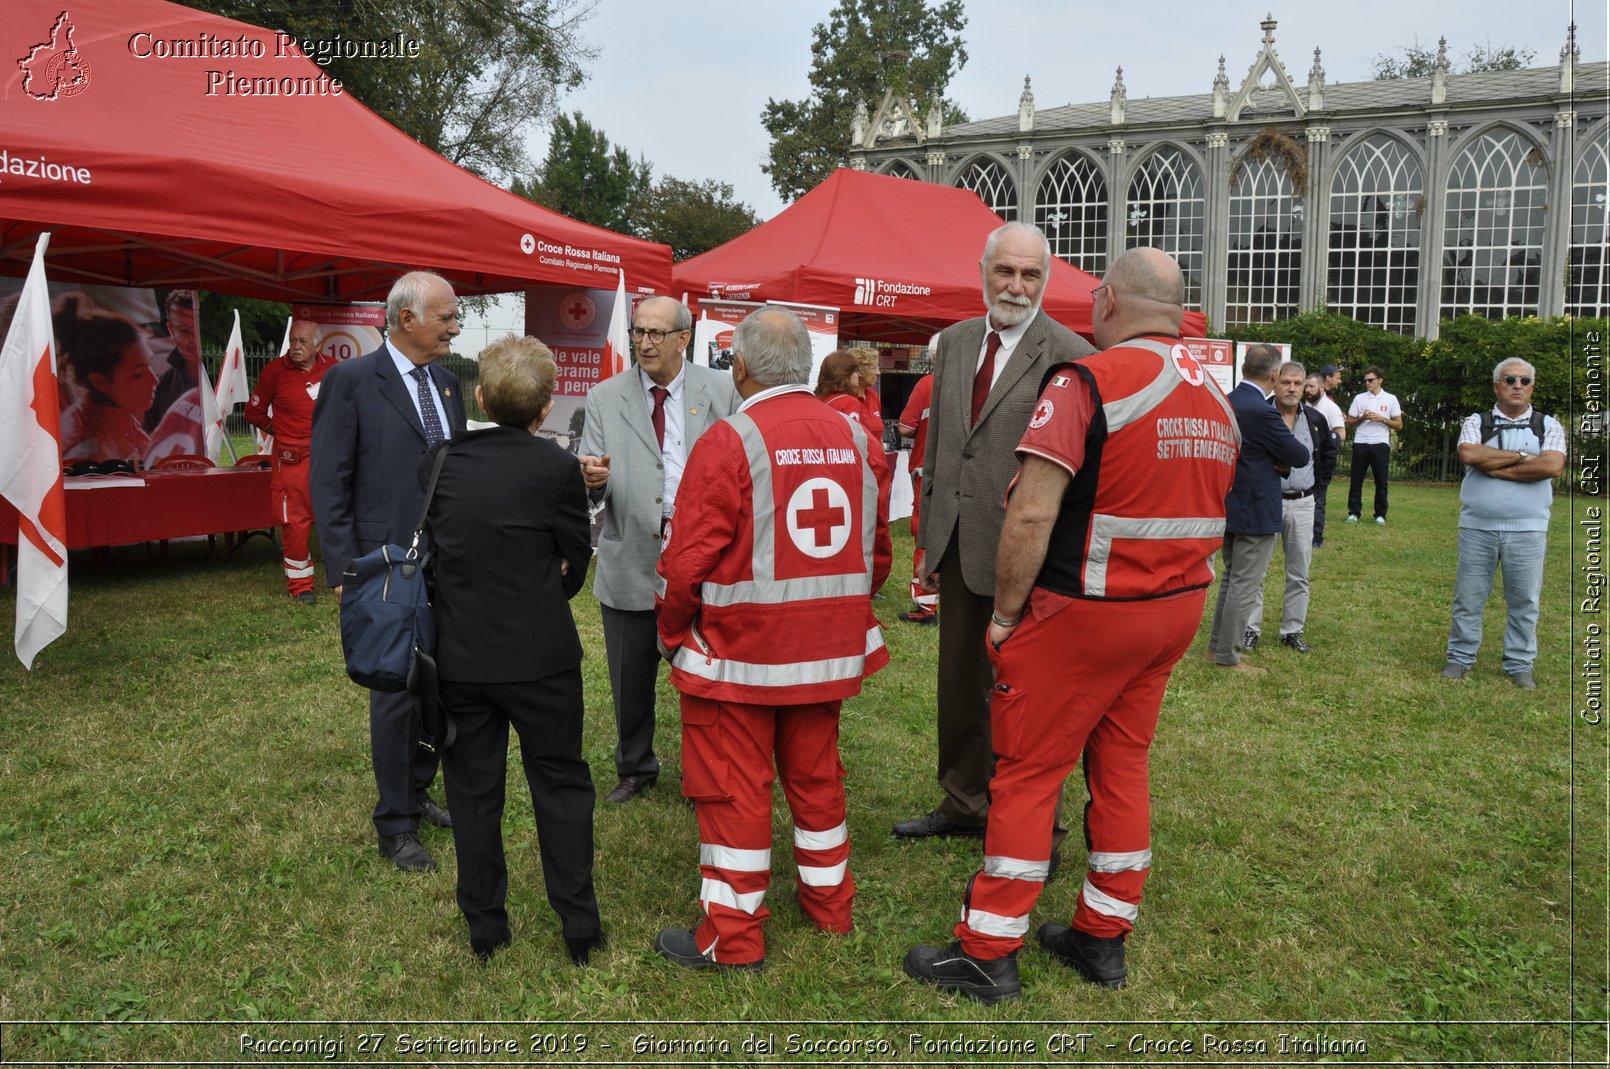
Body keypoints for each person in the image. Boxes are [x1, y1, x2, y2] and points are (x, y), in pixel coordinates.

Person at [903, 248, 1237, 1003]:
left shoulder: (1090, 379)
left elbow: (1030, 510)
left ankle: (987, 948)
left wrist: (1008, 613)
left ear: (1110, 301)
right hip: (1173, 611)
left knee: (1025, 774)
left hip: (1085, 610)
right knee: (1122, 767)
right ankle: (1102, 934)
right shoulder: (1214, 394)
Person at [653, 307, 891, 971]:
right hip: (828, 654)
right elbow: (877, 551)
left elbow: (687, 561)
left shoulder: (730, 439)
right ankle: (829, 907)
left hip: (741, 657)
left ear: (743, 367)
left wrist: (674, 633)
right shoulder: (854, 435)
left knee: (733, 790)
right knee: (818, 780)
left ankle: (732, 939)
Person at [894, 222, 1095, 843]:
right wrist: (930, 535)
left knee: (1027, 695)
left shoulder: (1072, 354)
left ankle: (1034, 825)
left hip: (1028, 551)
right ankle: (962, 801)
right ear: (982, 270)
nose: (1015, 286)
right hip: (957, 542)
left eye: (1030, 274)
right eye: (1005, 271)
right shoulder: (953, 342)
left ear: (1046, 279)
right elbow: (951, 445)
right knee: (958, 683)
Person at [421, 335, 603, 965]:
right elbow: (575, 559)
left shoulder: (442, 461)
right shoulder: (555, 468)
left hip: (462, 655)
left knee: (473, 791)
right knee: (559, 782)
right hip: (541, 657)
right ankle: (578, 925)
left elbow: (437, 557)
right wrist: (548, 579)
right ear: (546, 408)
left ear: (479, 394)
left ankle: (484, 925)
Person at [310, 271, 467, 874]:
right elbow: (329, 480)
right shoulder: (351, 381)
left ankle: (419, 788)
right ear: (407, 320)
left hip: (444, 567)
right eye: (446, 317)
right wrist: (349, 569)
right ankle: (395, 823)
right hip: (383, 568)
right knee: (395, 693)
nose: (455, 327)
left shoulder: (450, 384)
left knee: (438, 688)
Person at [578, 295, 738, 805]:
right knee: (630, 677)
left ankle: (707, 776)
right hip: (630, 555)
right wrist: (594, 481)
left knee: (707, 675)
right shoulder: (606, 396)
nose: (644, 343)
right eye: (638, 332)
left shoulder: (723, 390)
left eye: (656, 334)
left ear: (684, 339)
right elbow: (591, 485)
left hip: (705, 558)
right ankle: (635, 766)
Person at [1442, 359, 1566, 688]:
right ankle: (1459, 658)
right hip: (1477, 527)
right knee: (1468, 598)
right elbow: (1470, 455)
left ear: (1532, 388)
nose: (1518, 385)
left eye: (1525, 381)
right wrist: (1526, 458)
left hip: (1528, 529)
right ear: (1497, 385)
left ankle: (1519, 664)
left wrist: (1496, 463)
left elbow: (1553, 466)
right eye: (1510, 379)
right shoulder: (1476, 422)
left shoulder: (1549, 425)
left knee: (1525, 601)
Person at [1205, 343, 1309, 674]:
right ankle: (1228, 656)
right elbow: (1299, 455)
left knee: (1231, 578)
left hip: (1230, 501)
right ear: (1275, 375)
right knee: (1244, 583)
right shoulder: (1262, 411)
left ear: (1243, 368)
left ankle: (1216, 647)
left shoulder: (1228, 400)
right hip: (1256, 506)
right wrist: (1276, 462)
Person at [244, 319, 336, 604]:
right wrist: (279, 430)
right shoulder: (274, 371)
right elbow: (254, 412)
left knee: (336, 516)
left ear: (318, 345)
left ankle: (342, 576)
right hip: (292, 460)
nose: (295, 347)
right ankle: (301, 585)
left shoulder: (334, 369)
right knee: (295, 523)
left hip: (329, 458)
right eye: (292, 341)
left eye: (302, 342)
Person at [1246, 362, 1336, 653]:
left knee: (1299, 571)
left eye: (1298, 383)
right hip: (1266, 501)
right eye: (1286, 382)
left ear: (1307, 386)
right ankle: (1250, 629)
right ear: (1275, 382)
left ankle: (1292, 630)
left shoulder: (1316, 419)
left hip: (1303, 502)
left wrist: (1317, 491)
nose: (1292, 389)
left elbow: (1327, 457)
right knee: (1256, 570)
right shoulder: (1261, 415)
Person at [52, 292, 159, 466]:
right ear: (99, 382)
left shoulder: (114, 418)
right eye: (137, 374)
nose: (154, 380)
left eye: (151, 365)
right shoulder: (89, 452)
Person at [896, 372, 938, 626]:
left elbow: (906, 427)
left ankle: (926, 606)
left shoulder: (928, 383)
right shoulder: (981, 377)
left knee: (925, 536)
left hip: (931, 473)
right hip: (973, 475)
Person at [1345, 365, 1403, 525]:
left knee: (1381, 481)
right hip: (1361, 442)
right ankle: (1354, 512)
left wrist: (1382, 419)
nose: (1367, 383)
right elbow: (1349, 422)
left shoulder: (1391, 399)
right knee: (1356, 480)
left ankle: (1380, 514)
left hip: (1380, 444)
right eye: (1365, 380)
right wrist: (1362, 418)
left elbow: (1399, 425)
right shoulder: (1359, 398)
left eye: (1370, 380)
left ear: (1380, 380)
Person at [143, 290, 201, 434]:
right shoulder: (162, 385)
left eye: (196, 330)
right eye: (185, 331)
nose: (193, 340)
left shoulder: (223, 376)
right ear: (171, 330)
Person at [1305, 367, 1346, 546]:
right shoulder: (1305, 406)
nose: (1307, 390)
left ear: (1321, 388)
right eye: (1306, 386)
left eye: (1311, 387)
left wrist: (1324, 441)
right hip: (1305, 462)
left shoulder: (1330, 407)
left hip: (1321, 462)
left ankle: (1316, 538)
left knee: (1318, 500)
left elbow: (1341, 434)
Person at [815, 349, 868, 422]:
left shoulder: (817, 400)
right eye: (856, 371)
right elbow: (852, 432)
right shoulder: (849, 403)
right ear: (845, 376)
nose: (859, 375)